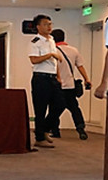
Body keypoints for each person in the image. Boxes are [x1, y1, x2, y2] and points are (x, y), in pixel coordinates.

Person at [28, 14, 65, 148]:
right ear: (38, 27)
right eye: (45, 24)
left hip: (52, 78)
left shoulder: (52, 39)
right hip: (40, 78)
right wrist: (50, 55)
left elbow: (55, 61)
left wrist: (58, 76)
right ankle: (39, 138)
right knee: (41, 109)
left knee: (60, 104)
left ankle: (44, 129)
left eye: (50, 24)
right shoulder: (35, 42)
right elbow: (34, 60)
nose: (49, 27)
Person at [51, 29, 91, 140]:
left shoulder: (53, 51)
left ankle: (55, 131)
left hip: (57, 85)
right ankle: (80, 128)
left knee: (54, 109)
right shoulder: (74, 50)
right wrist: (86, 79)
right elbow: (80, 66)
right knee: (74, 108)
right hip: (70, 85)